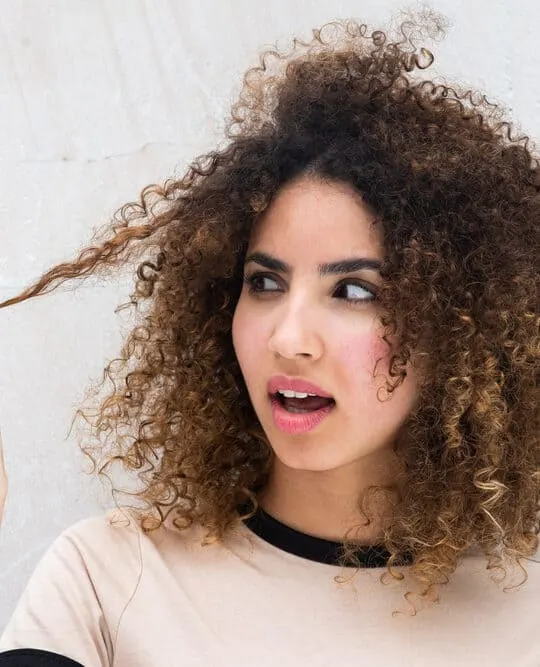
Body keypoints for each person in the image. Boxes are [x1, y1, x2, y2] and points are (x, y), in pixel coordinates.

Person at [0, 13, 538, 667]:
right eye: (264, 281)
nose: (289, 337)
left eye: (355, 292)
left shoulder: (524, 616)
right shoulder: (111, 581)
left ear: (459, 325)